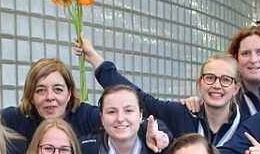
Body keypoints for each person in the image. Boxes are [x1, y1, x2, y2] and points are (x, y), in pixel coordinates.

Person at [80, 38, 246, 148]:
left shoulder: (246, 126)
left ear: (236, 88)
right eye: (210, 78)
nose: (217, 85)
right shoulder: (181, 113)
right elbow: (142, 99)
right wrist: (95, 59)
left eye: (225, 80)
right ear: (199, 83)